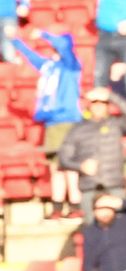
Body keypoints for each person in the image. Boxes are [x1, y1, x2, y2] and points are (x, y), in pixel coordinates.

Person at [10, 29, 83, 219]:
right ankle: (57, 206)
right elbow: (31, 57)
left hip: (68, 121)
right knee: (56, 167)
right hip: (52, 123)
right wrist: (15, 41)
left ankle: (75, 205)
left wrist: (43, 34)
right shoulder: (49, 67)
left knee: (70, 167)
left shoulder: (70, 65)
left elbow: (64, 45)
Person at [58, 87, 126, 223]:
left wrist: (111, 95)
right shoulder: (77, 129)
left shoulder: (115, 124)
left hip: (114, 186)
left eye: (102, 103)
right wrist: (80, 166)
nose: (99, 107)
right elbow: (64, 158)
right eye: (95, 103)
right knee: (92, 230)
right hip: (89, 188)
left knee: (120, 227)